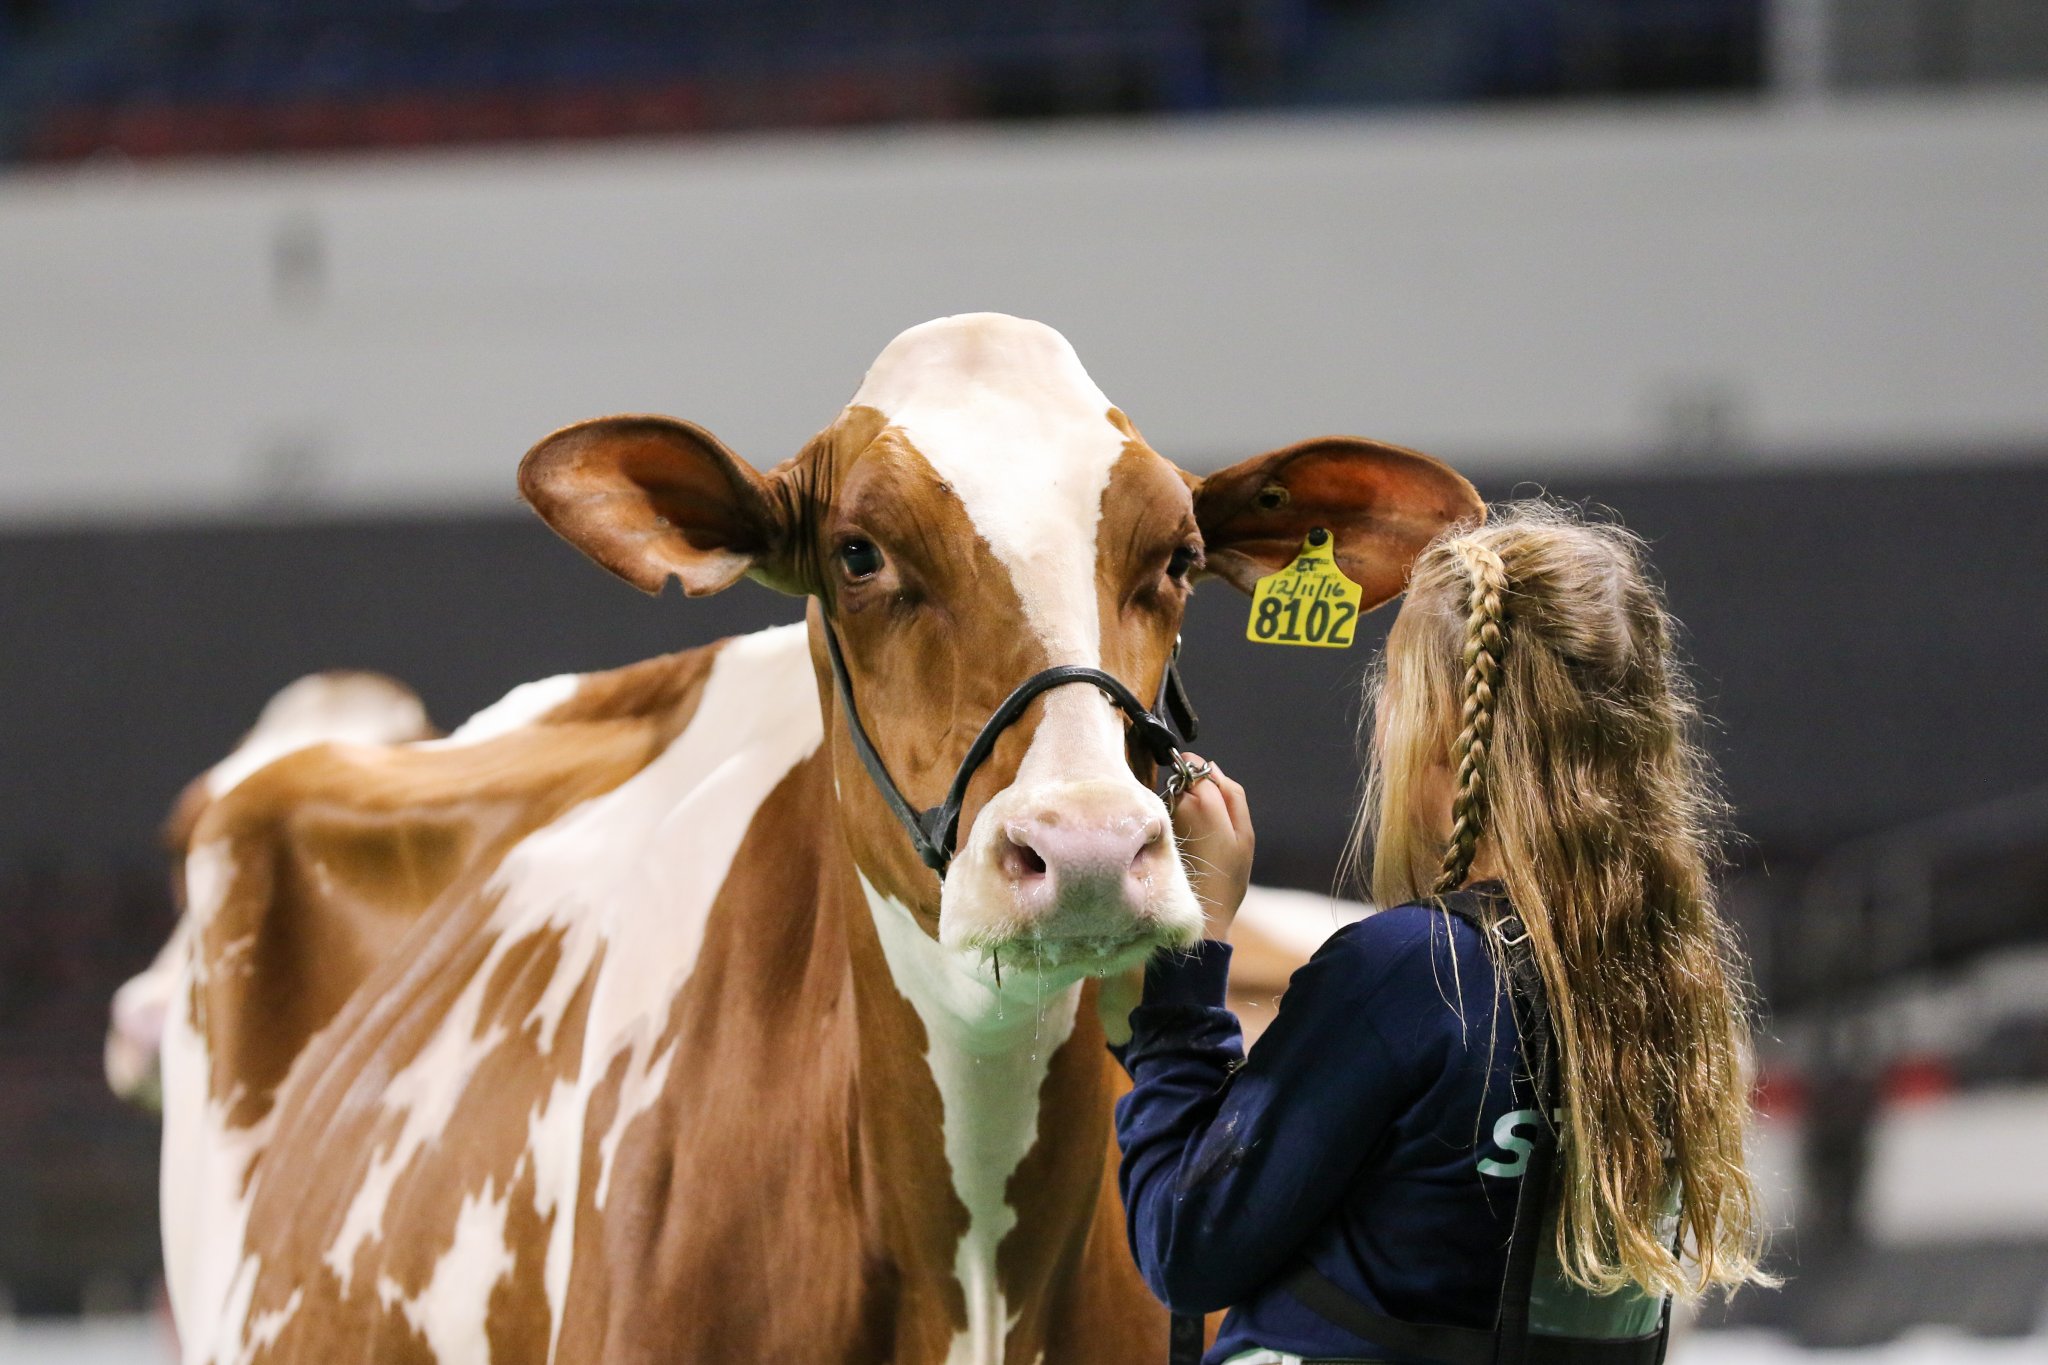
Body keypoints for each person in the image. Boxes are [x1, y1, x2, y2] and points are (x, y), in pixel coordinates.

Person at [1108, 501, 1771, 1365]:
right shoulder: (1675, 991)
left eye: (1395, 685)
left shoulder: (1416, 974)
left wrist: (1192, 947)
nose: (1382, 722)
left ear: (1451, 726)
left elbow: (1186, 1245)